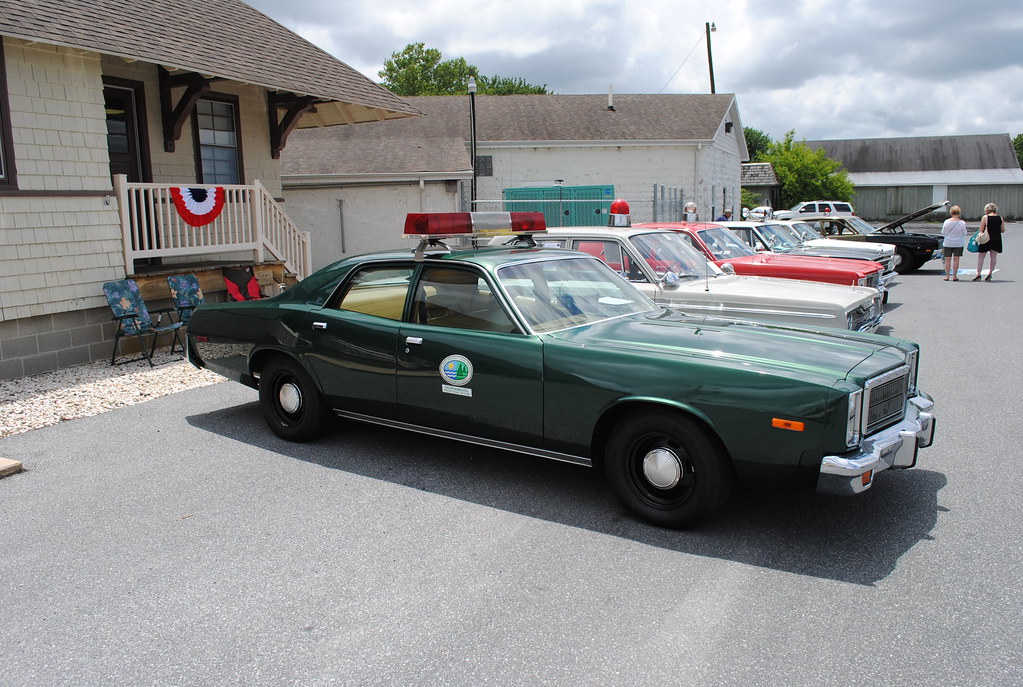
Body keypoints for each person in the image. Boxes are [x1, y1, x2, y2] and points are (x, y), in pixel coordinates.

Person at [973, 203, 1005, 281]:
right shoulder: (1000, 218)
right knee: (993, 257)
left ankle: (978, 274)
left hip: (986, 239)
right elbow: (1003, 230)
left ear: (987, 210)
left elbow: (981, 229)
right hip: (996, 239)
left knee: (981, 256)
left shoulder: (985, 217)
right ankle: (990, 273)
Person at [940, 205, 968, 281]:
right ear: (959, 213)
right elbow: (964, 233)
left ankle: (947, 276)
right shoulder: (962, 223)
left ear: (951, 213)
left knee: (947, 259)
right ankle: (954, 276)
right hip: (958, 243)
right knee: (956, 259)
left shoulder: (947, 222)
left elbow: (943, 232)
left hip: (948, 242)